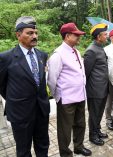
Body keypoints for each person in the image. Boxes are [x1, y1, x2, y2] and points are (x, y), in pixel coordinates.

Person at [0, 16, 50, 157]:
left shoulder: (42, 55)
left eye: (35, 33)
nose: (34, 36)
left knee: (43, 145)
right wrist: (17, 99)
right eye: (29, 33)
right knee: (23, 151)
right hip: (20, 114)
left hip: (41, 110)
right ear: (18, 35)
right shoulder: (6, 58)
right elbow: (2, 86)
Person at [47, 23, 92, 156]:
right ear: (67, 36)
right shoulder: (58, 55)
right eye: (76, 35)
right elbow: (51, 80)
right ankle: (66, 153)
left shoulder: (76, 51)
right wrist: (58, 96)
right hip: (66, 99)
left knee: (80, 124)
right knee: (65, 129)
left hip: (80, 96)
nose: (79, 37)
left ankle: (78, 146)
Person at [84, 23, 109, 146]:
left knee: (99, 113)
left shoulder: (100, 47)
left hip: (103, 88)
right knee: (94, 114)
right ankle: (92, 136)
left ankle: (97, 131)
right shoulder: (91, 50)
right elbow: (86, 73)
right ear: (98, 36)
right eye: (105, 34)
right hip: (95, 90)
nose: (107, 36)